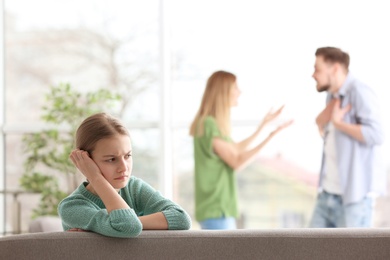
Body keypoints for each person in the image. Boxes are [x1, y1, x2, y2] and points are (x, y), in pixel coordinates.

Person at [58, 112, 191, 238]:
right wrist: (95, 177)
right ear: (87, 162)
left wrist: (116, 224)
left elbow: (181, 218)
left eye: (127, 156)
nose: (124, 168)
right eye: (111, 159)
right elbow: (129, 226)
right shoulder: (71, 207)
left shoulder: (134, 188)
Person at [189, 70, 293, 230]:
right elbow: (236, 161)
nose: (239, 92)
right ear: (224, 92)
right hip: (217, 211)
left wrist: (264, 126)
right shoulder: (209, 124)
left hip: (216, 211)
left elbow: (235, 148)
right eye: (235, 88)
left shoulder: (210, 124)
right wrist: (270, 136)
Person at [310, 46, 386, 228]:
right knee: (307, 251)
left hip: (354, 199)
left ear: (335, 69)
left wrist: (339, 124)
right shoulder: (332, 96)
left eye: (317, 69)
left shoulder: (360, 92)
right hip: (328, 193)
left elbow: (377, 135)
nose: (313, 75)